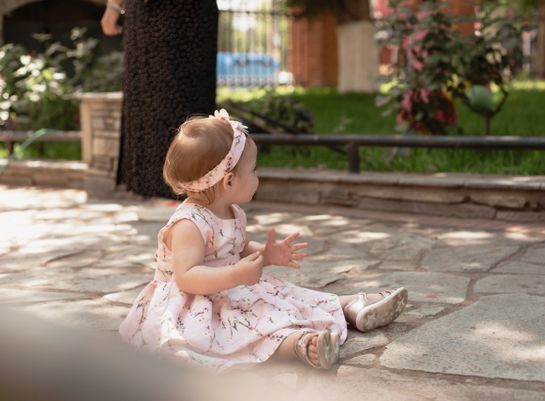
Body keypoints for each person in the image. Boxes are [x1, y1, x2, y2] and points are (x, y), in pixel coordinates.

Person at [118, 110, 408, 372]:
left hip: (230, 287)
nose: (257, 176)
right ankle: (301, 344)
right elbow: (187, 277)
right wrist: (236, 275)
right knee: (246, 329)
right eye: (253, 170)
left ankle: (349, 306)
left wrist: (266, 254)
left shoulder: (231, 211)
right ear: (229, 181)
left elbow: (238, 248)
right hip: (195, 304)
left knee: (286, 298)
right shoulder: (188, 225)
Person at [101, 0, 218, 198]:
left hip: (190, 14)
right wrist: (113, 6)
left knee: (188, 96)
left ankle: (186, 189)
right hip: (150, 13)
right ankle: (163, 191)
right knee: (151, 97)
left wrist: (113, 6)